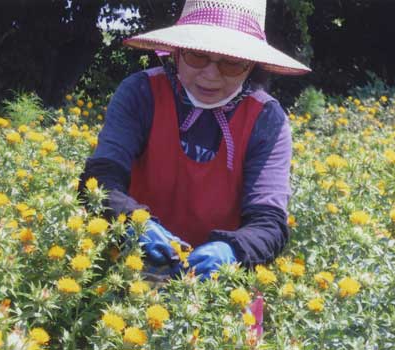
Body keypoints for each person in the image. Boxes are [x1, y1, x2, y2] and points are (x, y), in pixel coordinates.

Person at [79, 0, 310, 280]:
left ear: (252, 66)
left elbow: (269, 224)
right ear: (177, 52)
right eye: (198, 56)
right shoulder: (141, 93)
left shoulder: (267, 119)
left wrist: (232, 252)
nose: (211, 74)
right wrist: (131, 222)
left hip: (222, 286)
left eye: (232, 62)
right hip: (130, 266)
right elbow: (102, 177)